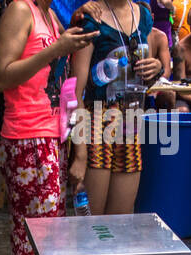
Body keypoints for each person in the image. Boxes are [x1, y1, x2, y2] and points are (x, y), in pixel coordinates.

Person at [0, 2, 93, 255]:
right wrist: (56, 50)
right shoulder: (20, 10)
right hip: (27, 137)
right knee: (39, 236)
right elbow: (2, 76)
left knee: (30, 232)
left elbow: (64, 87)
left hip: (47, 136)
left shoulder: (51, 15)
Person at [68, 1, 163, 216]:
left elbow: (142, 78)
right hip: (97, 120)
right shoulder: (92, 19)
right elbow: (75, 92)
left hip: (131, 120)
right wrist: (80, 153)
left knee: (122, 218)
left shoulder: (144, 16)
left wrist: (157, 68)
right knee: (92, 222)